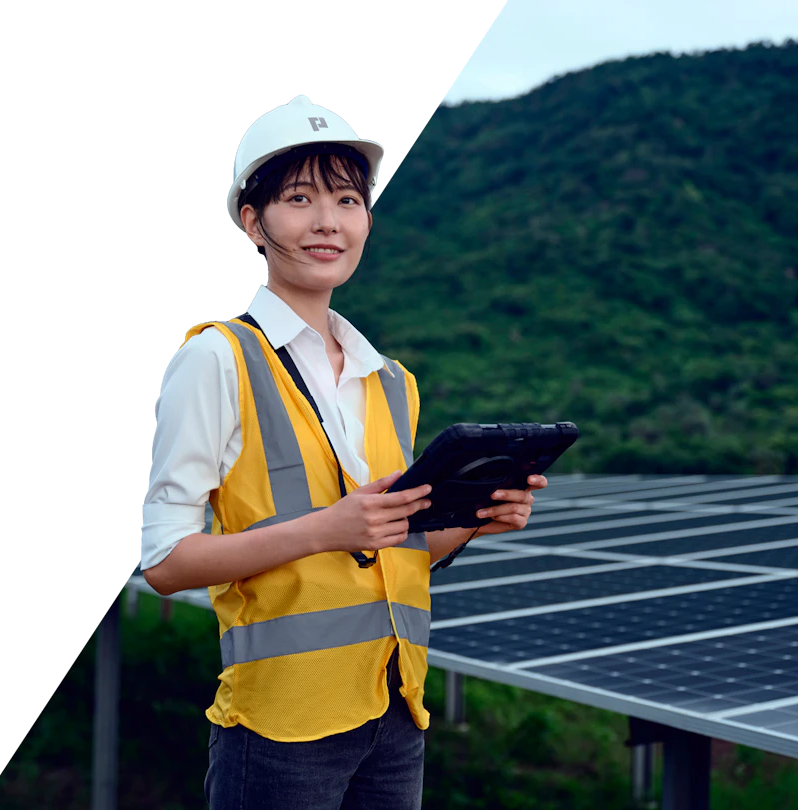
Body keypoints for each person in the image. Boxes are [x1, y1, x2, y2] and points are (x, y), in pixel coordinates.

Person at [141, 93, 548, 810]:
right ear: (252, 221)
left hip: (395, 714)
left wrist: (478, 519)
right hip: (279, 730)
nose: (329, 222)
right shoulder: (217, 360)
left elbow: (391, 553)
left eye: (348, 200)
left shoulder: (391, 381)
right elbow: (167, 563)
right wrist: (326, 528)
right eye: (299, 198)